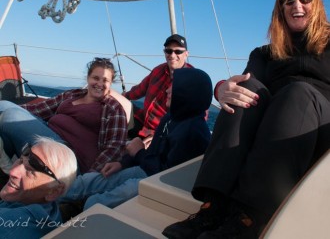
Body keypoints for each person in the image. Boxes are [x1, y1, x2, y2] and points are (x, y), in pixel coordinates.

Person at [162, 0, 330, 239]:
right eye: (288, 1)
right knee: (245, 88)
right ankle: (213, 206)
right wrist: (222, 89)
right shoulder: (264, 54)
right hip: (277, 126)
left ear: (316, 2)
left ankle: (251, 217)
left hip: (319, 129)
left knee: (296, 92)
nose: (297, 5)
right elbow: (242, 86)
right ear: (281, 10)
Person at [60, 67, 212, 211]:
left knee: (98, 202)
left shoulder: (193, 132)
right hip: (145, 170)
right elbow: (152, 155)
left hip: (159, 185)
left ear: (189, 92)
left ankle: (79, 218)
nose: (167, 90)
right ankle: (49, 196)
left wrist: (138, 152)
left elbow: (167, 175)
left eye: (174, 86)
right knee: (90, 181)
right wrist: (122, 163)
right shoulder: (170, 117)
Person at [0, 57, 128, 174]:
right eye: (96, 78)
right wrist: (14, 108)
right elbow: (38, 109)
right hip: (47, 137)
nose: (100, 84)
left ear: (110, 84)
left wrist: (87, 178)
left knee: (10, 114)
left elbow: (114, 148)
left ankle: (9, 167)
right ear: (88, 78)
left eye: (105, 80)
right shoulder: (72, 94)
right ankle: (9, 173)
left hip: (68, 156)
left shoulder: (113, 109)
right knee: (5, 126)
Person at [0, 136, 77, 238]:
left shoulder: (8, 224)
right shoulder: (50, 210)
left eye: (31, 172)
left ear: (54, 192)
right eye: (20, 160)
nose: (13, 172)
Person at [124, 34, 193, 139]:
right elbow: (139, 90)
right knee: (116, 102)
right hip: (142, 121)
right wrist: (123, 96)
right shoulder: (158, 70)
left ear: (186, 54)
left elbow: (197, 117)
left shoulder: (192, 79)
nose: (172, 55)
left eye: (178, 51)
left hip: (159, 135)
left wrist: (164, 140)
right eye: (168, 51)